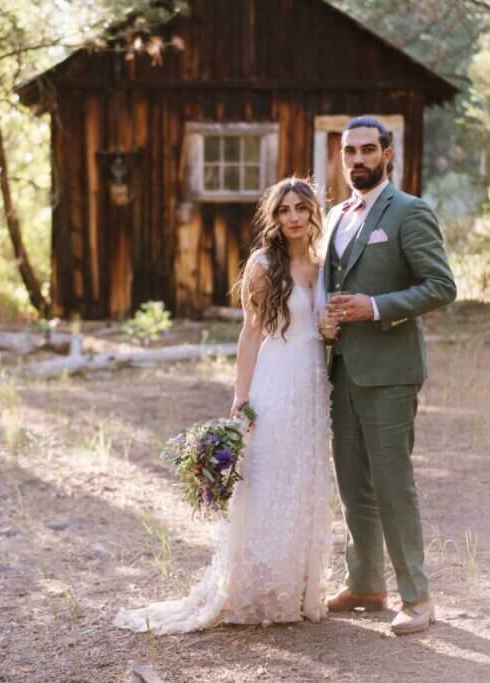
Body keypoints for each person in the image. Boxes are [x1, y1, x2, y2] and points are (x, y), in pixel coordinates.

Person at [115, 178, 335, 634]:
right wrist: (241, 397)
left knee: (303, 478)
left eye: (301, 208)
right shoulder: (262, 264)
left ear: (315, 213)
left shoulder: (323, 264)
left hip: (313, 384)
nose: (293, 217)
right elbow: (251, 332)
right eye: (284, 210)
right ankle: (256, 587)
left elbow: (327, 328)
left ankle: (296, 585)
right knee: (267, 478)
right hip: (276, 379)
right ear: (273, 217)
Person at [317, 116, 456, 635]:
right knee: (353, 485)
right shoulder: (335, 216)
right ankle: (366, 583)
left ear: (387, 154)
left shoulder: (409, 213)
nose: (357, 159)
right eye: (349, 151)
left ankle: (417, 597)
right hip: (342, 371)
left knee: (394, 486)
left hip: (391, 373)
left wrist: (375, 306)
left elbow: (441, 286)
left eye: (367, 150)